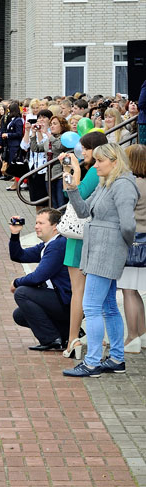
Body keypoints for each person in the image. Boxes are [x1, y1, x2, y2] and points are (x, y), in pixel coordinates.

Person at [63, 143, 139, 377]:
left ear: (114, 161)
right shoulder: (107, 182)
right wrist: (72, 189)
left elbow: (128, 225)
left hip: (106, 250)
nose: (95, 165)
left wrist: (122, 245)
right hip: (99, 249)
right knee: (107, 306)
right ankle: (116, 358)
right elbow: (84, 211)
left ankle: (93, 362)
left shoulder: (123, 184)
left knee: (92, 306)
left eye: (100, 161)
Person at [60, 131, 108, 359]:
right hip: (83, 235)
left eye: (86, 148)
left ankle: (73, 339)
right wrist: (68, 171)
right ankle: (95, 338)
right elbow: (67, 191)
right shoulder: (95, 171)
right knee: (89, 292)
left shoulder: (93, 173)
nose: (83, 152)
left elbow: (77, 196)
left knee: (79, 292)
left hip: (81, 235)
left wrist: (74, 172)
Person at [8, 209, 72, 351]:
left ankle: (51, 339)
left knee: (22, 293)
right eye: (36, 223)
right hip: (58, 299)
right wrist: (15, 234)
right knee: (20, 315)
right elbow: (19, 256)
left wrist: (16, 282)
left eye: (41, 223)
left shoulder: (58, 245)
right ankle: (65, 333)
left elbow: (38, 277)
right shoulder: (48, 244)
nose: (36, 226)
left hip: (67, 302)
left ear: (55, 226)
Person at [117, 144, 146, 352]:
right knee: (135, 291)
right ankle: (142, 334)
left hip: (132, 240)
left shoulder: (131, 184)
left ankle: (132, 336)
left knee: (129, 290)